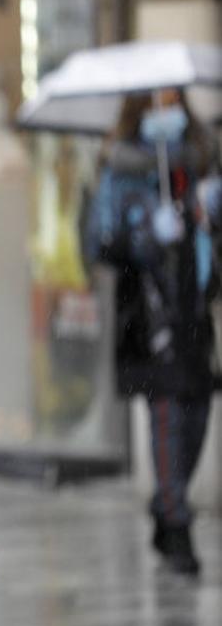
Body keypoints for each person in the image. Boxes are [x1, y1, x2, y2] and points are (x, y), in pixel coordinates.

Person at [85, 89, 221, 576]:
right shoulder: (120, 170)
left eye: (173, 100)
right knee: (168, 420)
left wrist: (207, 216)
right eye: (157, 102)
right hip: (149, 314)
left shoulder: (201, 163)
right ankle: (178, 527)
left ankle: (167, 508)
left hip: (195, 313)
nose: (167, 111)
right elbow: (101, 240)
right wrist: (146, 232)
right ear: (140, 110)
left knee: (199, 415)